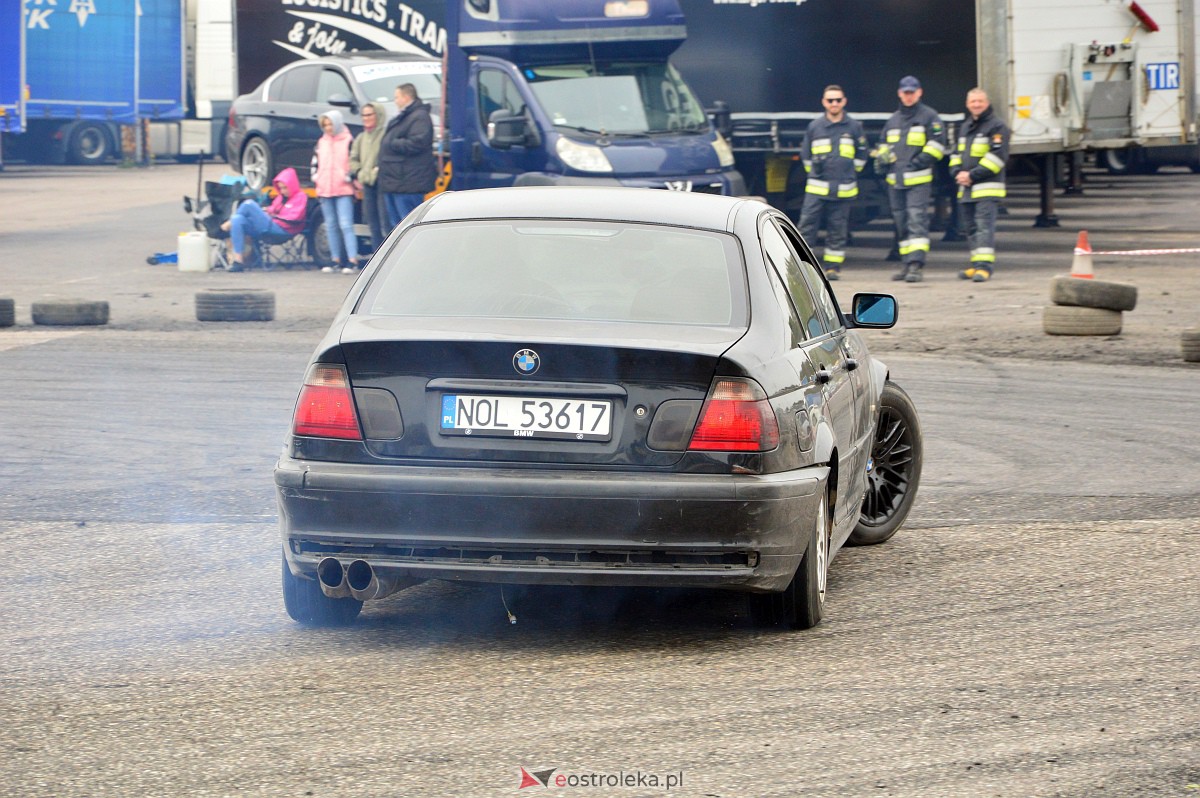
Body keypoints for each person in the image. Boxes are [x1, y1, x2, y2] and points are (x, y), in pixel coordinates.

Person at [875, 76, 948, 283]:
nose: (908, 96)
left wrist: (915, 164)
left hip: (918, 181)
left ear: (919, 93)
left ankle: (916, 265)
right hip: (895, 182)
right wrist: (882, 159)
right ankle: (907, 264)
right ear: (900, 93)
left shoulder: (929, 117)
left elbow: (937, 147)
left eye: (912, 92)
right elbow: (883, 144)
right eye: (905, 93)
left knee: (917, 221)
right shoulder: (893, 120)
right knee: (901, 223)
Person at [798, 85, 868, 280]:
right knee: (806, 226)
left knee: (837, 228)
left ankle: (833, 268)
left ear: (844, 101)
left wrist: (849, 173)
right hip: (817, 188)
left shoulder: (854, 127)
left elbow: (862, 155)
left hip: (843, 189)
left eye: (838, 100)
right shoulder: (815, 126)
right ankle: (804, 267)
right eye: (830, 100)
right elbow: (806, 156)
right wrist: (815, 174)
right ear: (824, 102)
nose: (834, 104)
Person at [949, 88, 1010, 282]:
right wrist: (957, 172)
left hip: (986, 188)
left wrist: (972, 175)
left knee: (984, 227)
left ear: (987, 102)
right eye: (973, 101)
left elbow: (997, 158)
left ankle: (985, 267)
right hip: (966, 188)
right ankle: (976, 264)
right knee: (971, 228)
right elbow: (955, 154)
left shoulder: (997, 126)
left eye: (980, 101)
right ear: (967, 104)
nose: (976, 105)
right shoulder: (966, 126)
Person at [220, 167, 307, 272]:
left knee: (249, 204)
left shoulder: (301, 197)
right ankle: (238, 261)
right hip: (271, 225)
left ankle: (228, 224)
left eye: (285, 188)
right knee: (238, 219)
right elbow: (273, 208)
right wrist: (266, 211)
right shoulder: (281, 197)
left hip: (283, 230)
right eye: (281, 188)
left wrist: (273, 215)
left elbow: (294, 217)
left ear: (292, 185)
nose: (283, 191)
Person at [378, 83, 438, 227]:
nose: (395, 101)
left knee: (408, 225)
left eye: (397, 97)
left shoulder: (419, 117)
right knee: (397, 226)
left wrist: (393, 143)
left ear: (406, 97)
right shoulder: (405, 117)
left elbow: (418, 143)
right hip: (396, 180)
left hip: (408, 182)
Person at [314, 109, 360, 274]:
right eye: (325, 124)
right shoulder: (322, 142)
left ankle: (352, 260)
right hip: (325, 188)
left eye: (330, 124)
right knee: (331, 225)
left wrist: (351, 179)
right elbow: (315, 162)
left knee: (346, 224)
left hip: (343, 188)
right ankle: (335, 260)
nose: (327, 128)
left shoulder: (348, 140)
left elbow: (354, 161)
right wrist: (317, 178)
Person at [349, 100, 390, 257]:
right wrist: (359, 172)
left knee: (385, 223)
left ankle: (388, 257)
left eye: (369, 115)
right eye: (363, 115)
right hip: (367, 184)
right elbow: (353, 159)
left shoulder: (385, 135)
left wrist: (377, 171)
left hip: (382, 183)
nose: (365, 118)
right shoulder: (360, 138)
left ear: (378, 115)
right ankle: (377, 257)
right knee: (372, 224)